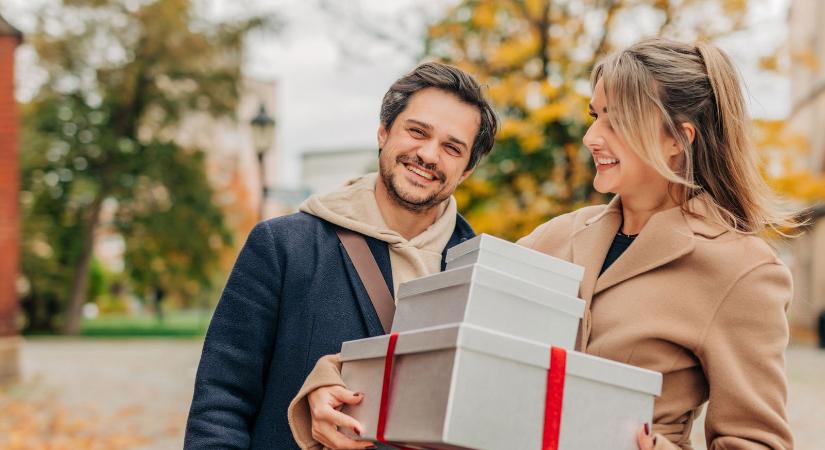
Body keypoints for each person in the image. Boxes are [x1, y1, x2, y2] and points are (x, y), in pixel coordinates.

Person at [294, 38, 796, 450]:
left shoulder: (742, 271)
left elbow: (758, 442)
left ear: (676, 139)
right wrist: (330, 378)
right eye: (594, 114)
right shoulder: (557, 235)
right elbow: (435, 342)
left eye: (615, 120)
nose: (592, 136)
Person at [183, 62, 498, 450]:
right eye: (417, 131)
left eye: (452, 148)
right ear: (383, 132)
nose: (428, 154)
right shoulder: (282, 246)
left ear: (466, 170)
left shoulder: (483, 276)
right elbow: (221, 403)